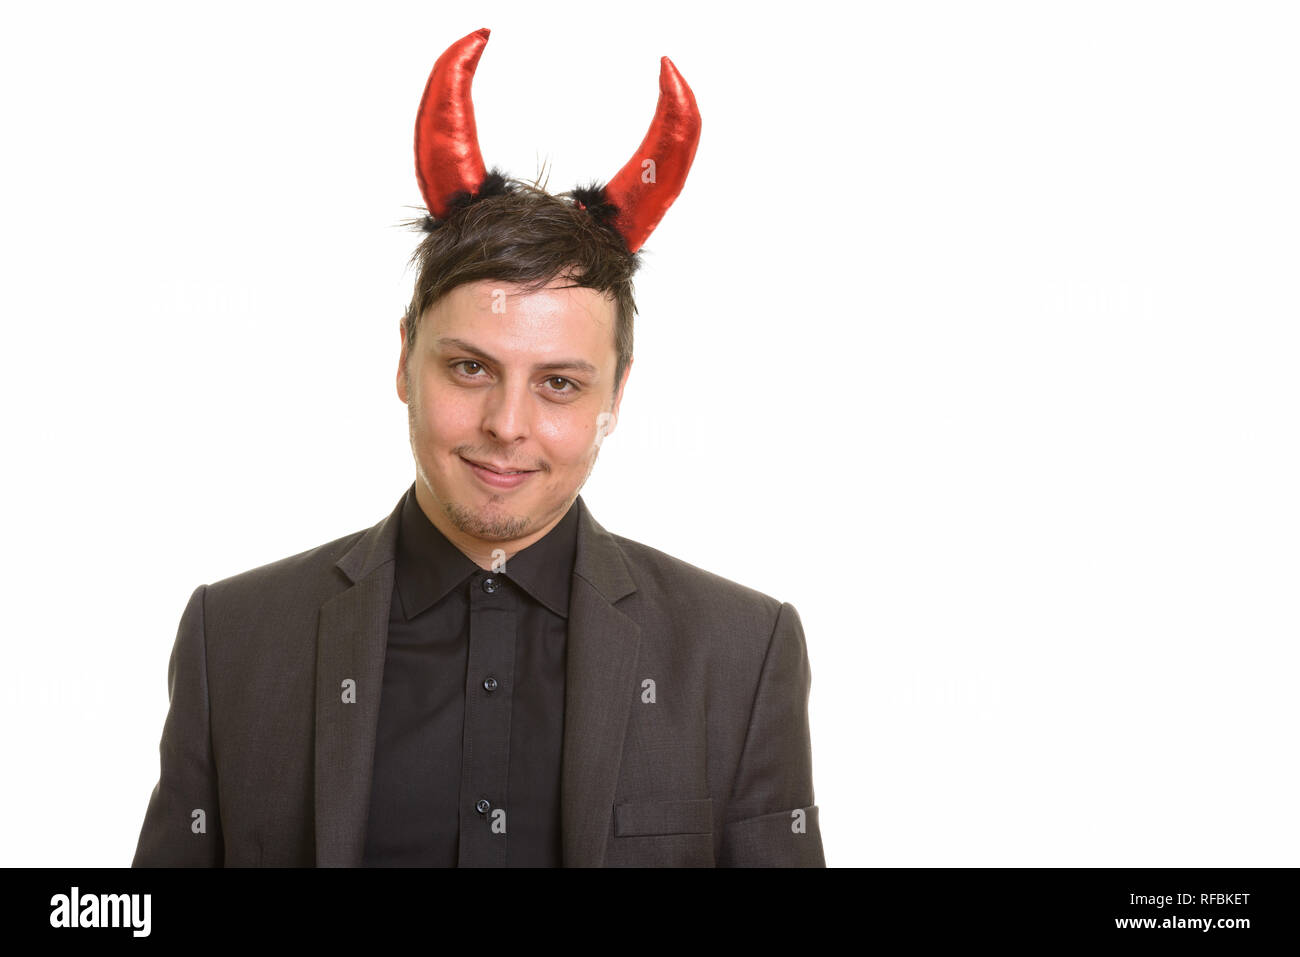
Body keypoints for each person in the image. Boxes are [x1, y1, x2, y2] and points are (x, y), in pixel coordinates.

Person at [132, 27, 824, 867]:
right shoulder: (233, 640)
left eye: (559, 383)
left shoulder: (742, 654)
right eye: (470, 368)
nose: (507, 422)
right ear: (404, 361)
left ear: (617, 395)